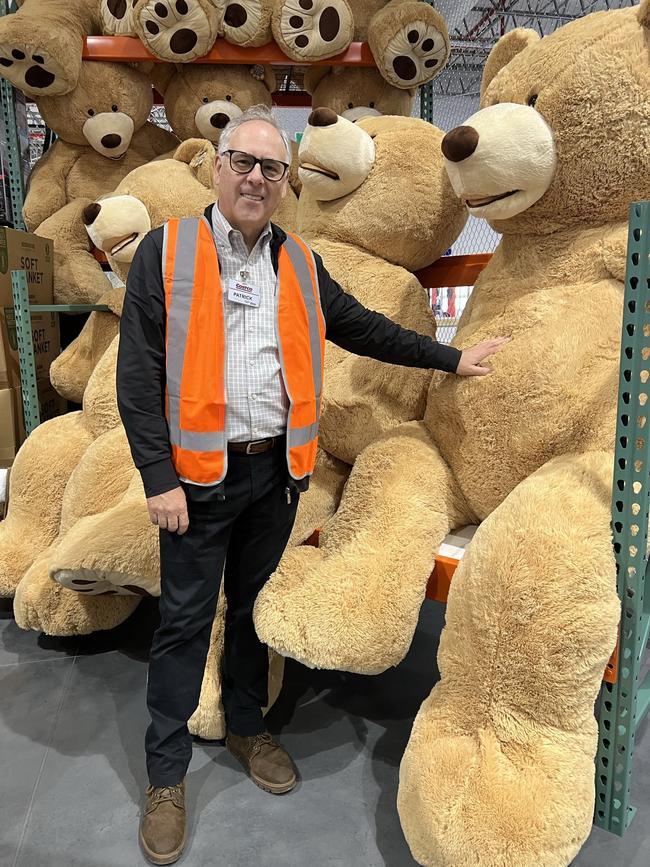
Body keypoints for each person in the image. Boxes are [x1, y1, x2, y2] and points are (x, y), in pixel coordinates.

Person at [116, 104, 509, 866]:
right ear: (219, 166)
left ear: (285, 180)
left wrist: (450, 358)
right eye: (244, 163)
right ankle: (166, 776)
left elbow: (363, 327)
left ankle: (245, 722)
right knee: (183, 624)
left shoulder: (297, 261)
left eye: (272, 168)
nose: (257, 179)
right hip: (196, 480)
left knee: (254, 607)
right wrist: (158, 477)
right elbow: (138, 379)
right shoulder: (166, 254)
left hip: (275, 472)